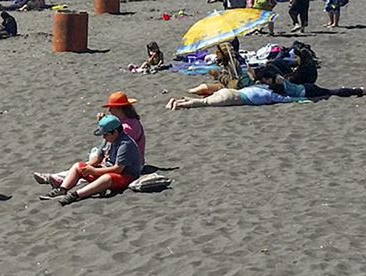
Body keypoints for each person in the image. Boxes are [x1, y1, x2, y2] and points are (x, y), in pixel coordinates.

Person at [36, 115, 143, 206]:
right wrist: (86, 167)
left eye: (106, 134)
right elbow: (98, 158)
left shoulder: (125, 144)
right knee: (78, 165)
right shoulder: (109, 140)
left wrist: (94, 171)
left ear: (115, 132)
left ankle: (76, 195)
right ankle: (62, 189)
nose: (104, 137)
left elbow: (118, 169)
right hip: (107, 169)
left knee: (106, 178)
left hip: (126, 176)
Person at [253, 66, 363, 100]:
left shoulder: (278, 81)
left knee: (332, 92)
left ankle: (358, 91)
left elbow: (281, 92)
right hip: (305, 88)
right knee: (329, 92)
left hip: (307, 91)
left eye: (264, 79)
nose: (264, 82)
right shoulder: (275, 79)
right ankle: (357, 90)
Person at [165, 84, 307, 110]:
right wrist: (301, 100)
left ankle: (178, 100)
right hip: (231, 98)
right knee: (204, 103)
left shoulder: (261, 87)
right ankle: (177, 104)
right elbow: (285, 99)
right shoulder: (270, 95)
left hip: (231, 91)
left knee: (204, 100)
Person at [96, 92, 146, 164]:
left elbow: (114, 144)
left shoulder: (128, 127)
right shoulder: (131, 120)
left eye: (111, 107)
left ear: (119, 108)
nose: (109, 110)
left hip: (130, 164)